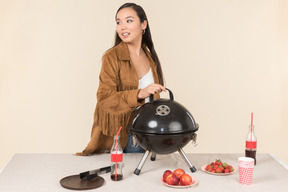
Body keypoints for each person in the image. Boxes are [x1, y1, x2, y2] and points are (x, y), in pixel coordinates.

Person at [76, 3, 165, 155]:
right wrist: (138, 94)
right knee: (131, 176)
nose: (122, 27)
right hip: (126, 134)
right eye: (118, 22)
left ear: (143, 25)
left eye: (129, 21)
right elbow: (104, 98)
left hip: (149, 132)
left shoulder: (150, 57)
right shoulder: (111, 57)